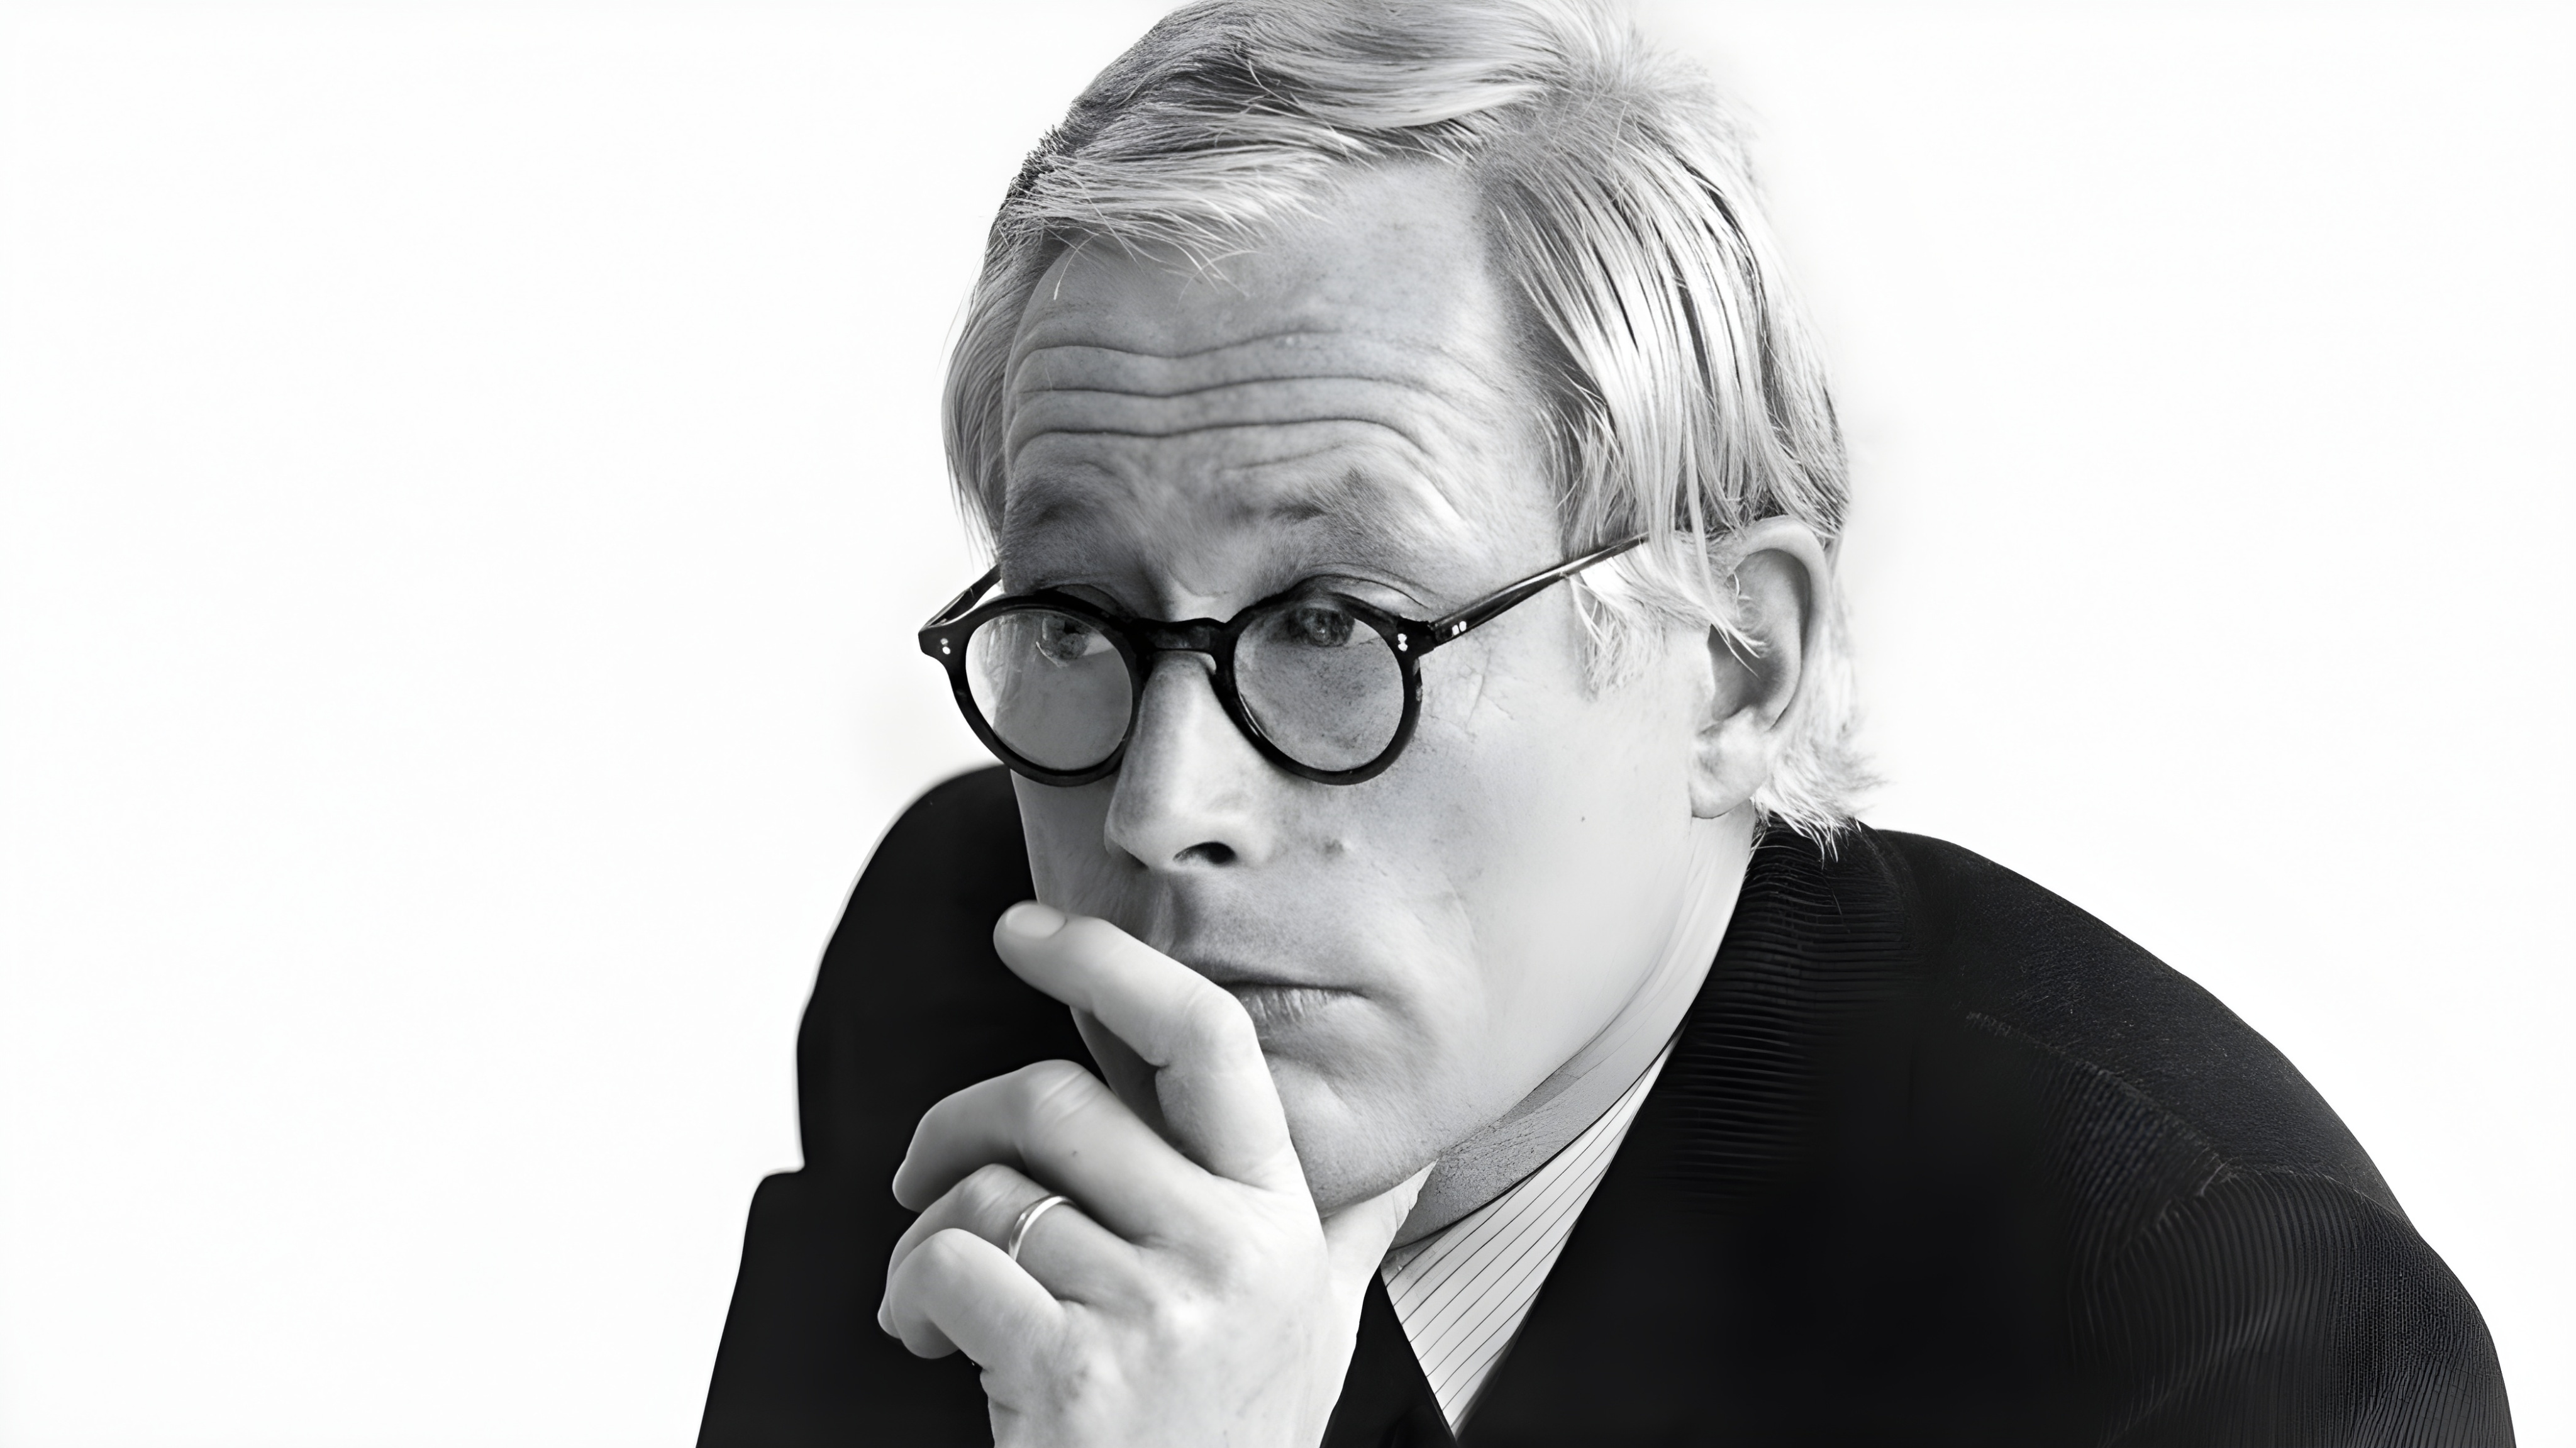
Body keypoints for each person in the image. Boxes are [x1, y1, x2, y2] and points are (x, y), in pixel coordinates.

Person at [697, 1, 2512, 1442]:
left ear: (1732, 664)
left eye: (1336, 624)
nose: (1160, 808)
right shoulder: (961, 963)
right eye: (1080, 618)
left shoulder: (2234, 1333)